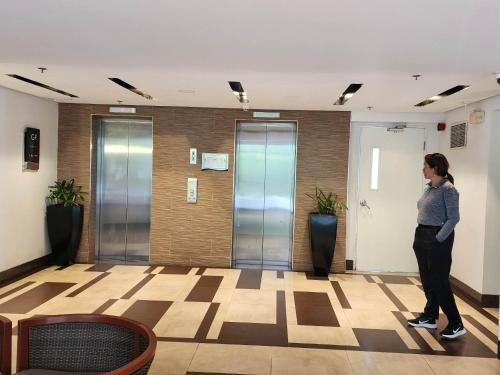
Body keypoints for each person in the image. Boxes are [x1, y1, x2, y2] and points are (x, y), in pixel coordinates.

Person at [407, 153, 466, 339]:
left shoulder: (448, 189)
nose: (423, 169)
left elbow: (454, 218)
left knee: (440, 282)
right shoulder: (430, 188)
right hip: (422, 235)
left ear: (435, 169)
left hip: (437, 238)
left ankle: (456, 323)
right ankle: (430, 316)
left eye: (425, 166)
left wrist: (438, 238)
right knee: (427, 280)